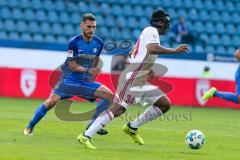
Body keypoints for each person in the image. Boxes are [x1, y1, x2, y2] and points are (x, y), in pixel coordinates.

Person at [77, 9, 189, 149]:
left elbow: (135, 52)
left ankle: (132, 127)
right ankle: (86, 135)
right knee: (118, 109)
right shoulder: (151, 31)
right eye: (166, 22)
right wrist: (174, 50)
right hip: (133, 78)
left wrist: (147, 69)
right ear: (159, 22)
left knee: (164, 104)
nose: (168, 25)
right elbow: (152, 48)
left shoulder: (148, 32)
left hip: (140, 78)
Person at [24, 13, 113, 136]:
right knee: (50, 102)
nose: (91, 30)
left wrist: (91, 76)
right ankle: (29, 127)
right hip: (69, 80)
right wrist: (88, 71)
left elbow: (95, 60)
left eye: (93, 27)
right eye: (88, 27)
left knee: (109, 96)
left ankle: (92, 125)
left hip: (84, 81)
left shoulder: (99, 43)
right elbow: (73, 65)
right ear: (82, 26)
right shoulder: (74, 43)